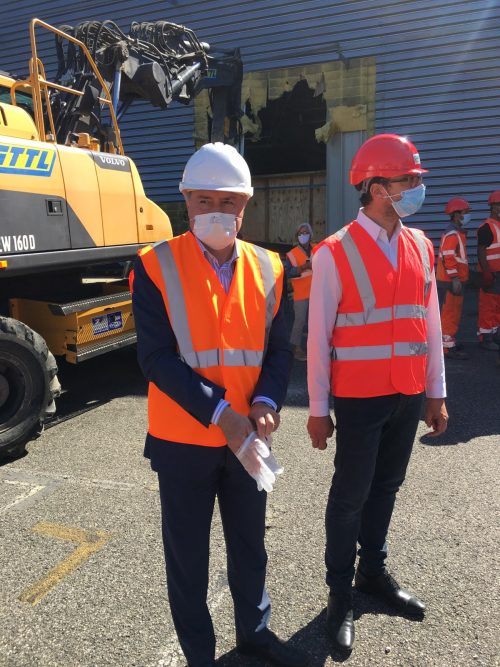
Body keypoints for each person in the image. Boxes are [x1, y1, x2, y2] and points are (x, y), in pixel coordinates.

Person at [131, 142, 307, 667]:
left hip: (248, 442)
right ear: (185, 201)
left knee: (250, 546)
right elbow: (157, 358)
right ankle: (200, 657)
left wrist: (268, 401)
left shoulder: (272, 268)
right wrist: (221, 415)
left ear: (245, 205)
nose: (215, 211)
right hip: (183, 444)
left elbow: (279, 350)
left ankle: (255, 632)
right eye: (203, 199)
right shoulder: (154, 265)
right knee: (188, 560)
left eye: (227, 201)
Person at [306, 134, 448, 653]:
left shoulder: (421, 246)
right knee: (350, 497)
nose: (416, 188)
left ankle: (373, 574)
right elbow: (318, 338)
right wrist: (317, 410)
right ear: (377, 188)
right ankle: (339, 594)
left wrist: (437, 392)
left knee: (386, 487)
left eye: (415, 181)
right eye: (408, 181)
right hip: (360, 399)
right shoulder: (334, 253)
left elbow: (428, 323)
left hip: (408, 393)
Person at [436, 198, 471, 360]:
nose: (468, 215)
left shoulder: (456, 232)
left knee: (453, 312)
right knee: (450, 313)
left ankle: (450, 341)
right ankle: (447, 348)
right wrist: (455, 278)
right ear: (457, 214)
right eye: (465, 213)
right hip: (451, 281)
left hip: (453, 279)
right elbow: (448, 257)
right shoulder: (453, 234)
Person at [285, 223, 316, 361]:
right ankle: (296, 348)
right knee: (300, 321)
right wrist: (303, 267)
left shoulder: (318, 248)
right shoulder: (292, 254)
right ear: (297, 236)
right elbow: (289, 273)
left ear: (310, 234)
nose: (303, 236)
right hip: (301, 293)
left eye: (305, 233)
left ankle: (315, 349)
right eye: (300, 233)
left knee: (316, 322)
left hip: (317, 292)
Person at [476, 190, 500, 351]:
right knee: (488, 306)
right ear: (493, 207)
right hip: (491, 274)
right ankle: (486, 337)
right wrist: (486, 272)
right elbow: (481, 251)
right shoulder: (487, 227)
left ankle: (494, 334)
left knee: (497, 306)